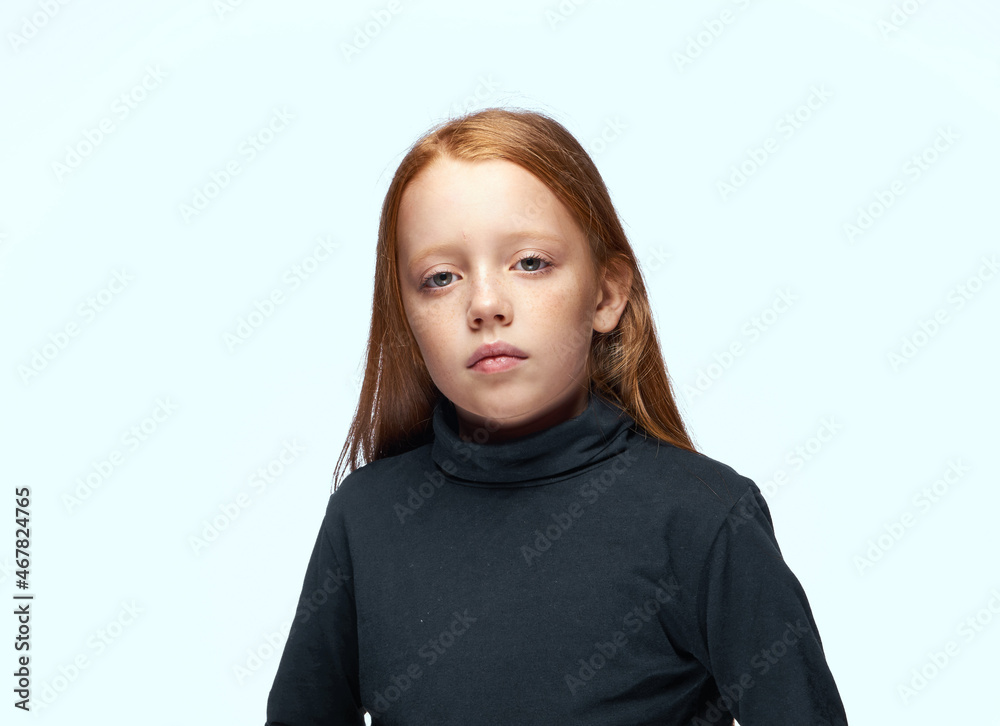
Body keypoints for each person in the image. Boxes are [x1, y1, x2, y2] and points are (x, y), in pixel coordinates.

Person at [264, 108, 849, 725]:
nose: (485, 304)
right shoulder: (366, 517)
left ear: (606, 295)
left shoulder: (703, 519)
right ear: (405, 316)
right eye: (440, 277)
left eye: (530, 263)